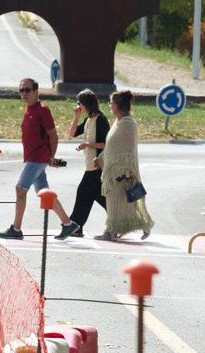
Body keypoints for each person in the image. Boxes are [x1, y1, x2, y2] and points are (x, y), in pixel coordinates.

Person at [0, 77, 79, 241]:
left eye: (27, 90)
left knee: (20, 189)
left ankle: (16, 229)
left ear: (35, 91)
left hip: (38, 158)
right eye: (21, 90)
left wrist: (51, 157)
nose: (24, 93)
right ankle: (68, 224)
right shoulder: (29, 110)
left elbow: (53, 136)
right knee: (44, 192)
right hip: (32, 158)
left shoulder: (42, 110)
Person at [98, 88, 153, 241]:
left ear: (116, 105)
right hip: (112, 171)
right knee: (115, 203)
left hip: (123, 173)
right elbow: (112, 145)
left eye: (110, 103)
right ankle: (114, 229)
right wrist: (101, 158)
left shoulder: (128, 124)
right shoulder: (118, 122)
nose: (109, 106)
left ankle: (112, 231)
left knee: (118, 203)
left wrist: (129, 171)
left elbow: (129, 150)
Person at [65, 90, 109, 235]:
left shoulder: (101, 119)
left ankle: (75, 226)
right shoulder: (89, 119)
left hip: (98, 166)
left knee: (83, 193)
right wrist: (76, 116)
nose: (78, 105)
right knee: (100, 198)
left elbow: (106, 144)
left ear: (86, 104)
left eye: (79, 103)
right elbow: (71, 134)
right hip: (90, 166)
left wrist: (87, 145)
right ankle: (120, 218)